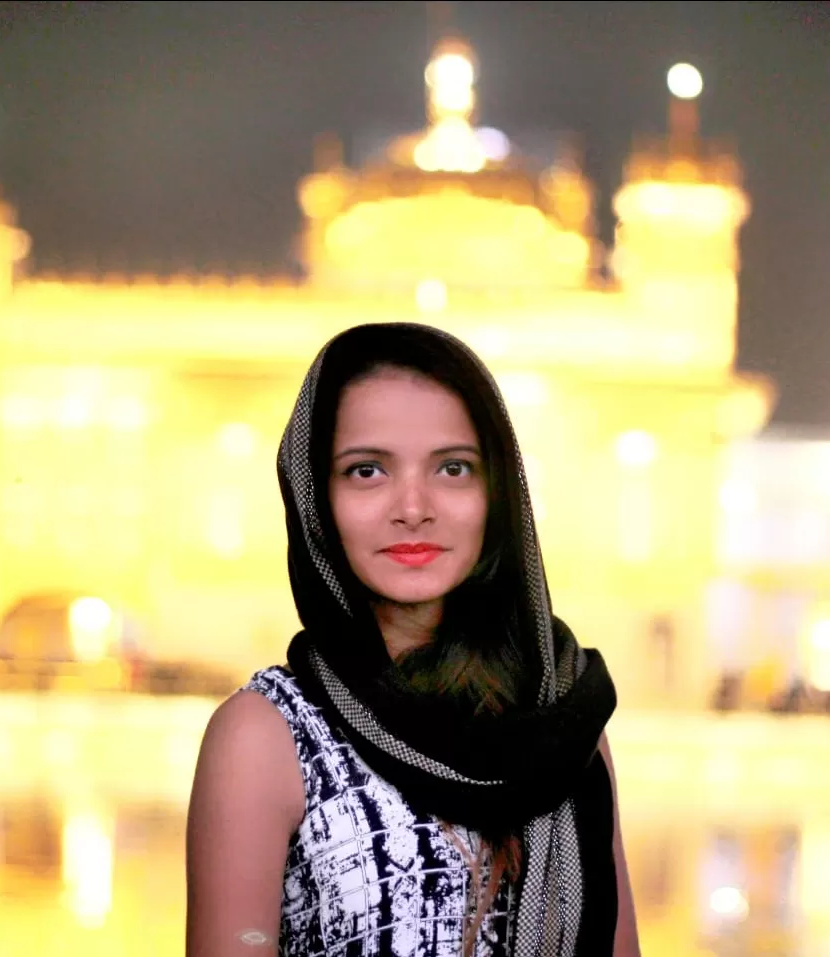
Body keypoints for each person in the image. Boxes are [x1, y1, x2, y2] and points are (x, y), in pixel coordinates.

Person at [187, 323, 640, 956]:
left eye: (453, 468)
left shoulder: (562, 719)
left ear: (498, 493)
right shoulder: (269, 737)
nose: (413, 506)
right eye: (367, 471)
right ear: (317, 497)